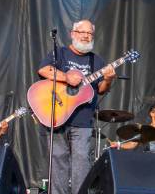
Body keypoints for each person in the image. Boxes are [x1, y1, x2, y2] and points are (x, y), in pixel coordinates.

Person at [38, 19, 116, 194]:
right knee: (57, 163)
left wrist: (109, 79)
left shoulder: (96, 61)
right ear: (73, 34)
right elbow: (43, 70)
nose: (87, 36)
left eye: (90, 33)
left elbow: (102, 89)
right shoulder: (60, 53)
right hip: (58, 116)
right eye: (83, 32)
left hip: (83, 120)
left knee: (82, 164)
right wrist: (67, 77)